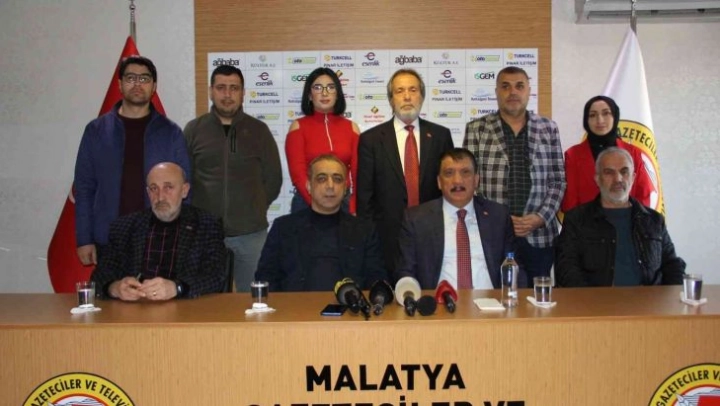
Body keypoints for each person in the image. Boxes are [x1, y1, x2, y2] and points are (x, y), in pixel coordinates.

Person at [74, 56, 190, 266]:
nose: (137, 84)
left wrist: (183, 238)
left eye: (144, 78)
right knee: (110, 288)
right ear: (120, 84)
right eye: (131, 78)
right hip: (108, 240)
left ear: (154, 86)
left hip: (158, 240)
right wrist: (84, 239)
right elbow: (84, 188)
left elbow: (184, 190)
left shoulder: (171, 133)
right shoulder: (96, 131)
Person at [184, 65, 282, 292]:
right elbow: (184, 179)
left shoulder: (259, 131)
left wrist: (253, 207)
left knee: (255, 298)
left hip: (251, 234)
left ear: (243, 93)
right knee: (206, 299)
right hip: (205, 234)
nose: (227, 94)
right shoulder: (194, 130)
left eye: (234, 88)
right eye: (221, 88)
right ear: (211, 91)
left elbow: (273, 179)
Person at [463, 66, 565, 285]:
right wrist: (498, 218)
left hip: (539, 235)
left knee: (538, 299)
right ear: (496, 92)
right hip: (494, 234)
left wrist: (540, 217)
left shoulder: (548, 128)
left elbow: (558, 181)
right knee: (495, 296)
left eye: (519, 86)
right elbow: (469, 182)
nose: (513, 92)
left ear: (529, 91)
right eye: (505, 86)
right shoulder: (477, 129)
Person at [357, 68, 454, 275]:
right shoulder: (371, 140)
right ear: (391, 99)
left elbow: (449, 188)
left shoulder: (440, 136)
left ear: (422, 96)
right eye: (400, 91)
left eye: (413, 90)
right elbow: (365, 198)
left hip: (433, 234)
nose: (407, 96)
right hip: (387, 239)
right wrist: (370, 241)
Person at [91, 162, 226, 301]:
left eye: (168, 187)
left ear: (184, 190)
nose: (160, 197)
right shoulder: (124, 227)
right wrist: (115, 288)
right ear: (148, 192)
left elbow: (215, 277)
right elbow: (101, 275)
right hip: (135, 308)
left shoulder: (206, 224)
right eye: (154, 188)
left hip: (184, 308)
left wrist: (176, 288)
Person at [555, 147, 685, 287]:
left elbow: (672, 265)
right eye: (609, 172)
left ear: (633, 178)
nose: (618, 179)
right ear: (597, 179)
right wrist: (594, 298)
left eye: (624, 171)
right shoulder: (576, 220)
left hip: (648, 299)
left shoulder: (654, 220)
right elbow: (566, 269)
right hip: (596, 300)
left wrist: (670, 296)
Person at [255, 154, 387, 292]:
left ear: (345, 188)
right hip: (296, 304)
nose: (330, 186)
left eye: (337, 179)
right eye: (322, 178)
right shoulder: (283, 228)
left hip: (349, 304)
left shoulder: (364, 231)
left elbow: (377, 279)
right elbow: (265, 278)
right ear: (309, 186)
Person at [395, 148, 515, 290]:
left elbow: (515, 268)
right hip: (439, 301)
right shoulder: (417, 219)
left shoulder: (498, 216)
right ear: (439, 182)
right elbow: (405, 272)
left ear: (476, 180)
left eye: (465, 172)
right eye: (449, 173)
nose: (457, 181)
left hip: (491, 301)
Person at [285, 67, 360, 214]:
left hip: (343, 202)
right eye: (318, 88)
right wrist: (319, 206)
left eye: (331, 87)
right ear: (309, 95)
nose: (325, 93)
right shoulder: (298, 126)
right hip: (307, 202)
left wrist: (353, 206)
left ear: (337, 94)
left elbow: (359, 174)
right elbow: (298, 175)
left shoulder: (352, 128)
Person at [561, 95, 654, 212]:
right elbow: (571, 201)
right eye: (593, 115)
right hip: (586, 221)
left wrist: (635, 221)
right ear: (586, 120)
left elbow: (643, 195)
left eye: (606, 113)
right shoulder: (573, 155)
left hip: (628, 220)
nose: (600, 120)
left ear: (615, 116)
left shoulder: (634, 152)